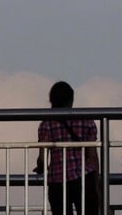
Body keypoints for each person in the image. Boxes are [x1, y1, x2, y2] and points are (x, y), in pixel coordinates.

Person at [35, 81, 100, 215]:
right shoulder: (86, 121)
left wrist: (41, 168)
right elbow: (92, 156)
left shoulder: (46, 124)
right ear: (71, 100)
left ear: (51, 100)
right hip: (84, 178)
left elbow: (42, 159)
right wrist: (97, 185)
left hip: (58, 181)